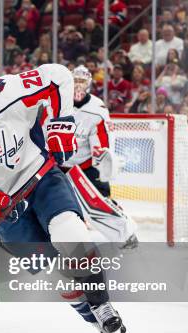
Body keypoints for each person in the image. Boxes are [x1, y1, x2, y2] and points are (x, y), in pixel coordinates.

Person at [0, 60, 128, 333]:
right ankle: (91, 317)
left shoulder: (8, 91)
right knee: (53, 273)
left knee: (71, 234)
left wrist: (62, 123)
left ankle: (102, 305)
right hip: (4, 208)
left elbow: (59, 76)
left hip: (40, 177)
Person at [62, 66, 137, 247]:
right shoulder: (60, 103)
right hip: (59, 165)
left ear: (89, 84)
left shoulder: (97, 110)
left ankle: (126, 233)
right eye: (76, 81)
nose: (79, 85)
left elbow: (101, 147)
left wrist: (100, 168)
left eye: (82, 81)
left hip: (85, 166)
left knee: (99, 201)